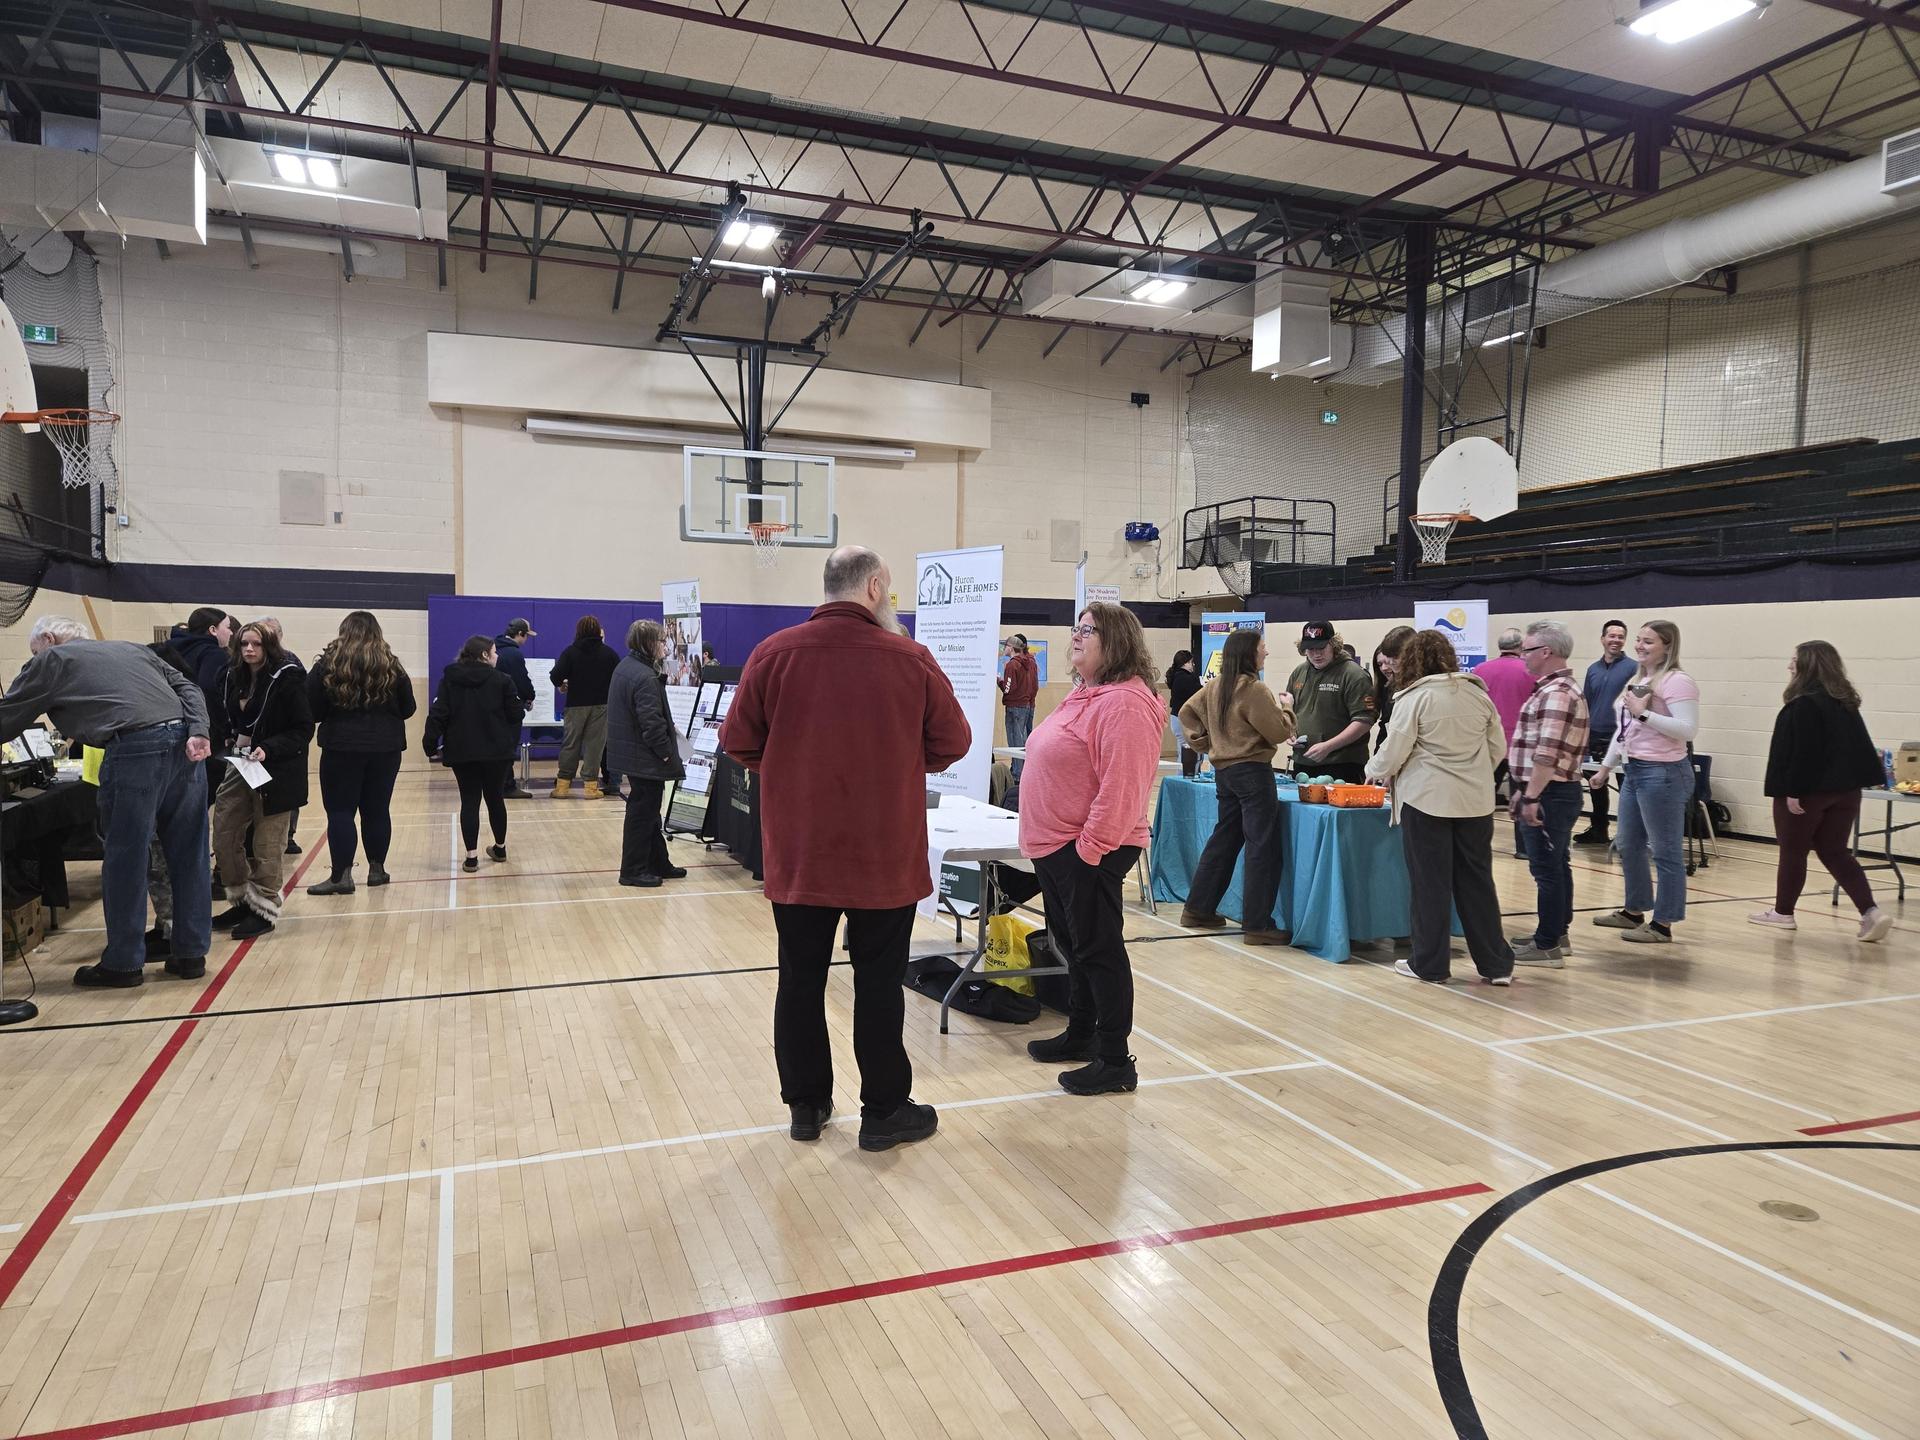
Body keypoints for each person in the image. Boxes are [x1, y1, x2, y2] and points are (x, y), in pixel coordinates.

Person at [720, 545, 969, 1151]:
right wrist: (901, 761)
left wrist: (788, 769)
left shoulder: (772, 654)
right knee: (878, 984)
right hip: (883, 854)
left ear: (828, 587)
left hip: (801, 853)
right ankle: (884, 1112)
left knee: (798, 981)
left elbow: (737, 740)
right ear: (876, 587)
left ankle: (806, 1106)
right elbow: (955, 740)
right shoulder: (910, 658)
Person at [0, 616, 213, 987]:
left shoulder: (52, 660)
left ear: (48, 640)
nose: (32, 662)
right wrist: (198, 730)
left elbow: (8, 715)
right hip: (185, 747)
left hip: (134, 751)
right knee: (190, 854)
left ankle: (124, 963)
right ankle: (191, 953)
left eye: (33, 652)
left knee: (125, 859)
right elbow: (189, 688)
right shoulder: (130, 648)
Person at [1017, 602, 1166, 1094]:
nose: (1077, 636)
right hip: (1058, 847)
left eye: (1089, 630)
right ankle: (1080, 1034)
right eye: (1076, 628)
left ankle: (1114, 1060)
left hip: (1089, 849)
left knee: (1098, 951)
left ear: (1116, 641)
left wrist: (1088, 851)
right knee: (1075, 947)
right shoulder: (1087, 694)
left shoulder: (1124, 703)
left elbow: (1123, 787)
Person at [1365, 630, 1513, 986]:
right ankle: (1496, 966)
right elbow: (1498, 749)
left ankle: (1429, 964)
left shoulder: (1414, 698)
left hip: (1427, 801)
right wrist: (1473, 774)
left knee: (1429, 884)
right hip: (1475, 803)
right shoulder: (1478, 695)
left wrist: (1373, 771)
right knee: (1477, 882)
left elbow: (1394, 750)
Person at [1751, 642, 1891, 941]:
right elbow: (1863, 753)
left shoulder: (1804, 705)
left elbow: (1803, 753)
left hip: (1809, 792)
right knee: (1835, 851)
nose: (1789, 666)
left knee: (1793, 850)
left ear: (1807, 665)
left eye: (1794, 660)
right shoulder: (1845, 703)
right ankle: (1871, 912)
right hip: (1847, 792)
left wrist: (1793, 791)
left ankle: (1783, 912)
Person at [1175, 629, 1294, 945]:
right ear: (1249, 653)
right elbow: (1279, 732)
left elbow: (1186, 712)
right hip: (1252, 772)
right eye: (1262, 647)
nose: (1266, 652)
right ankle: (1258, 925)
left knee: (1224, 840)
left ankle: (1198, 909)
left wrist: (1203, 741)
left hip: (1223, 772)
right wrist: (1288, 707)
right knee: (1262, 846)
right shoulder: (1253, 689)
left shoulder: (1214, 686)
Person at [1588, 620, 1699, 944]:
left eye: (1648, 641)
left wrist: (1644, 714)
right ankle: (1634, 909)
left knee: (1664, 851)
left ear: (1667, 646)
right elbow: (1625, 732)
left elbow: (1687, 729)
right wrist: (1606, 767)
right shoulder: (1639, 680)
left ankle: (1663, 922)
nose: (1639, 646)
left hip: (1663, 773)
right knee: (1628, 843)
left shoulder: (1678, 682)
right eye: (1638, 640)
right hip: (1635, 771)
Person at [209, 622, 312, 940]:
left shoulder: (289, 677)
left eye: (256, 644)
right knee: (224, 833)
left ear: (269, 646)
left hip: (278, 769)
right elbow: (228, 719)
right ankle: (241, 900)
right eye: (244, 644)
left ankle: (264, 909)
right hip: (240, 761)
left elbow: (303, 730)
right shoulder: (230, 677)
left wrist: (268, 748)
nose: (250, 650)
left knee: (267, 843)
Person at [306, 611, 416, 895]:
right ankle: (377, 870)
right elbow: (408, 709)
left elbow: (312, 709)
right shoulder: (393, 667)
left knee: (341, 812)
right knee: (377, 810)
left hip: (341, 748)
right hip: (385, 749)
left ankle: (341, 876)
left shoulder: (327, 666)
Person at [1506, 621, 1589, 968]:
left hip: (1551, 793)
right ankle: (1556, 932)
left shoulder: (1556, 693)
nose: (1522, 657)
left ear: (1546, 652)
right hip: (1549, 790)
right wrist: (1524, 790)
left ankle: (1547, 944)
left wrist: (1532, 796)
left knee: (1547, 869)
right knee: (1557, 864)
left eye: (1526, 650)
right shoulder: (1555, 688)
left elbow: (1546, 753)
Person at [424, 636, 525, 873]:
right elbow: (515, 714)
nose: (497, 656)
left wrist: (430, 744)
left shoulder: (450, 679)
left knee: (469, 801)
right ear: (484, 656)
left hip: (462, 750)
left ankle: (471, 858)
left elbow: (438, 713)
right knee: (495, 799)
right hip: (496, 751)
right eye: (494, 652)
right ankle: (499, 848)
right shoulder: (503, 680)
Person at [605, 619, 686, 888]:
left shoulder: (627, 667)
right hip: (644, 756)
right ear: (650, 644)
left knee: (649, 812)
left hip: (632, 753)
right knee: (643, 814)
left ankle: (657, 862)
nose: (666, 646)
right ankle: (633, 869)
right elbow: (651, 724)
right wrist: (665, 752)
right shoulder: (645, 676)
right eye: (662, 641)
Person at [1283, 620, 1373, 782]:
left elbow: (1364, 721)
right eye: (1310, 649)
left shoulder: (1353, 674)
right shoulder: (1299, 672)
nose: (1316, 654)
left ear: (1334, 645)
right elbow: (1291, 708)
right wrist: (1290, 732)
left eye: (1321, 648)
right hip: (1303, 762)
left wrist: (1329, 746)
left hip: (1342, 764)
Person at [550, 615, 622, 799]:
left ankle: (562, 787)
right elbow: (619, 677)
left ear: (578, 631)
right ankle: (590, 788)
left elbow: (555, 675)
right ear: (598, 631)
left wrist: (563, 684)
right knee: (595, 746)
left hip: (575, 705)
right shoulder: (609, 653)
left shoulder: (571, 652)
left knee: (570, 744)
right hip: (601, 705)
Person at [253, 615, 307, 855]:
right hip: (256, 744)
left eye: (271, 633)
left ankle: (289, 835)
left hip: (285, 740)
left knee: (287, 791)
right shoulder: (247, 667)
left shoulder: (291, 663)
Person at [1577, 620, 1634, 845]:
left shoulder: (1633, 668)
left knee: (1626, 787)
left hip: (1622, 736)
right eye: (1612, 636)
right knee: (1596, 785)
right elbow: (1586, 703)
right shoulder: (1593, 669)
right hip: (1596, 735)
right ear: (1603, 639)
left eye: (1620, 636)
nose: (1616, 640)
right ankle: (1599, 829)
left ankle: (1628, 836)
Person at [494, 618, 536, 798]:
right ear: (520, 634)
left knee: (497, 747)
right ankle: (507, 786)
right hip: (509, 707)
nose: (526, 640)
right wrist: (529, 696)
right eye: (526, 635)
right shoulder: (513, 654)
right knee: (509, 747)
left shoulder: (493, 648)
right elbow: (521, 680)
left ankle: (497, 784)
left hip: (492, 707)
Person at [997, 634, 1038, 806]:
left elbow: (1009, 688)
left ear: (1011, 648)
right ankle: (1024, 773)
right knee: (1025, 742)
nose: (1003, 649)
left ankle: (1017, 777)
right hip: (1028, 704)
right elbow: (1034, 685)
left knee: (1015, 742)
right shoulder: (1031, 662)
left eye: (1005, 646)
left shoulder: (1012, 665)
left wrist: (999, 681)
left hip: (1015, 706)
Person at [168, 606, 234, 705]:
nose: (231, 632)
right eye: (228, 627)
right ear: (213, 630)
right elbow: (209, 691)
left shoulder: (170, 648)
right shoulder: (214, 654)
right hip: (201, 714)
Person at [1370, 625, 1417, 749]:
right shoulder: (1384, 688)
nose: (1385, 667)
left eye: (1392, 659)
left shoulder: (1417, 689)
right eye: (1380, 664)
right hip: (1385, 751)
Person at [1165, 648, 1202, 776]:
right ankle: (1186, 779)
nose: (1193, 665)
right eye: (1191, 662)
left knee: (1184, 753)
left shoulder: (1177, 677)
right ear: (1186, 663)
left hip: (1176, 719)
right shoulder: (1185, 678)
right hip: (1183, 720)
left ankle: (1184, 777)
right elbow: (1200, 694)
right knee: (1188, 755)